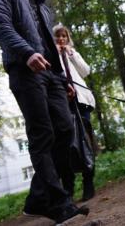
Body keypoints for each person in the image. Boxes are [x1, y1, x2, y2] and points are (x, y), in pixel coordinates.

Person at [0, 0, 88, 223]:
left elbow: (48, 44)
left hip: (50, 74)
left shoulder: (41, 4)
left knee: (65, 130)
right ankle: (58, 202)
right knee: (42, 133)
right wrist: (25, 53)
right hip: (24, 69)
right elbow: (0, 26)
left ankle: (37, 199)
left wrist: (63, 78)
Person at [53, 24, 97, 201]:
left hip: (82, 102)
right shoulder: (50, 54)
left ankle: (89, 184)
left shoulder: (72, 53)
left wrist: (71, 54)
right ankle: (68, 189)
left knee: (85, 142)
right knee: (66, 145)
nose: (61, 39)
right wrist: (56, 53)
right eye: (58, 37)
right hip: (62, 103)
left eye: (64, 36)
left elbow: (85, 71)